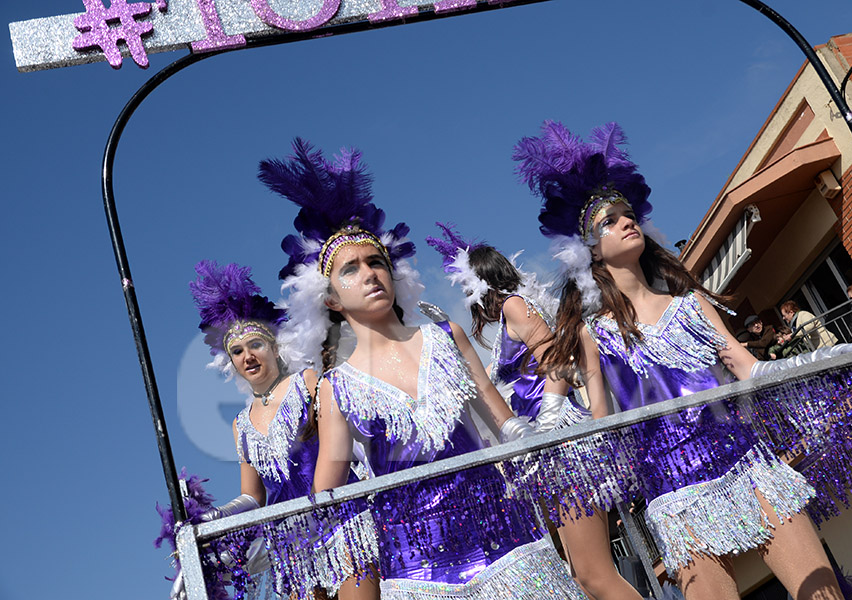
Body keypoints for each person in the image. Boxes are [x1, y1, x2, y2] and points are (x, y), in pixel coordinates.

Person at [513, 120, 846, 600]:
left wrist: (829, 359)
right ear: (589, 250)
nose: (627, 222)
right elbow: (601, 423)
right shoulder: (594, 333)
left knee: (824, 594)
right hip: (673, 493)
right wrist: (548, 447)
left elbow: (749, 370)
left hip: (746, 464)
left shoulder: (690, 303)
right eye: (610, 220)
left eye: (629, 214)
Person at [261, 137, 587, 599]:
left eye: (377, 261)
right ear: (330, 298)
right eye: (350, 269)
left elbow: (504, 419)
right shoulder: (335, 388)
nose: (370, 273)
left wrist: (542, 432)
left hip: (506, 541)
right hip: (417, 569)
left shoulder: (446, 337)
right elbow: (329, 493)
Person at [425, 223, 640, 600]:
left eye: (466, 285)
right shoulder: (516, 310)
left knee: (595, 576)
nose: (465, 296)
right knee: (581, 579)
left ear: (482, 282)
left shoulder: (514, 305)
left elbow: (558, 358)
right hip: (548, 448)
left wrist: (548, 421)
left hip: (562, 446)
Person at [186, 260, 376, 600]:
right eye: (237, 352)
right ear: (231, 364)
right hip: (291, 548)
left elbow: (343, 446)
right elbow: (252, 497)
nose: (248, 357)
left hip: (342, 524)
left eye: (255, 345)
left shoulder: (307, 382)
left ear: (274, 347)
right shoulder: (240, 425)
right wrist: (213, 517)